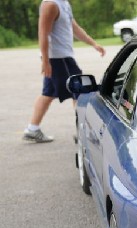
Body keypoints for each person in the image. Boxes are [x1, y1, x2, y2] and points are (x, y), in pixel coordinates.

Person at [24, 0, 105, 143]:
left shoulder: (64, 4)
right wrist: (46, 61)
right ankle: (83, 132)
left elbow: (74, 28)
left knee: (48, 93)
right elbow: (43, 33)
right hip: (58, 59)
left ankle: (32, 129)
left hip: (62, 58)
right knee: (80, 91)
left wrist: (93, 43)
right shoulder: (50, 5)